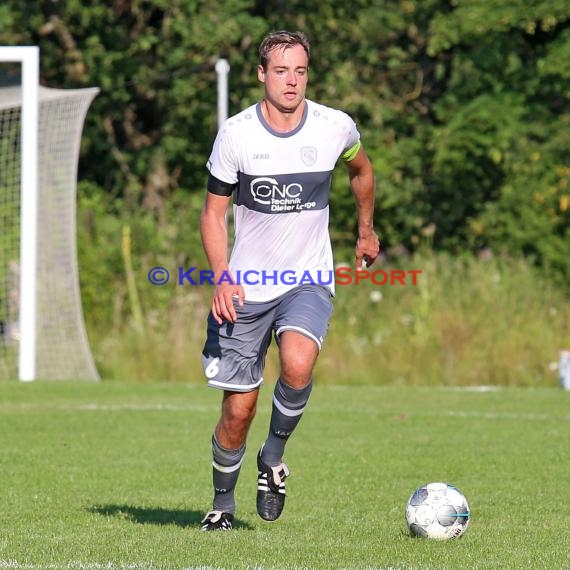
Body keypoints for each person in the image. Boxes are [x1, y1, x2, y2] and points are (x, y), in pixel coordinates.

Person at [199, 30, 380, 531]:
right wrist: (222, 279)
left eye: (300, 71)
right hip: (247, 287)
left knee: (298, 364)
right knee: (239, 410)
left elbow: (361, 172)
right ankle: (223, 504)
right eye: (281, 71)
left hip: (308, 277)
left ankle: (272, 458)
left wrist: (365, 232)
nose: (291, 81)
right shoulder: (236, 135)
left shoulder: (334, 127)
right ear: (261, 74)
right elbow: (213, 215)